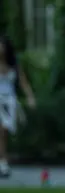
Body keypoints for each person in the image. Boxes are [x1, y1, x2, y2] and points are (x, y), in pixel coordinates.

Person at [0, 35, 37, 178]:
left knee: (5, 133)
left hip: (9, 101)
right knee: (1, 131)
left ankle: (3, 162)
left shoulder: (13, 65)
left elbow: (23, 82)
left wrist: (30, 97)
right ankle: (3, 163)